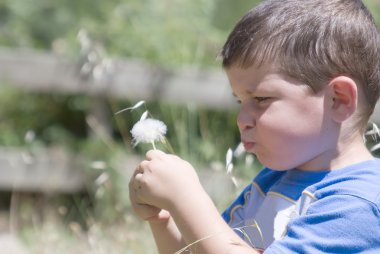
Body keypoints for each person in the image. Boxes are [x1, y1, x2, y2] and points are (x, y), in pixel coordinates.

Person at [129, 0, 380, 253]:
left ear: (339, 99)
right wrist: (167, 217)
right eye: (240, 100)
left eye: (261, 99)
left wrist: (187, 199)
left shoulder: (358, 202)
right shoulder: (271, 180)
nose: (241, 118)